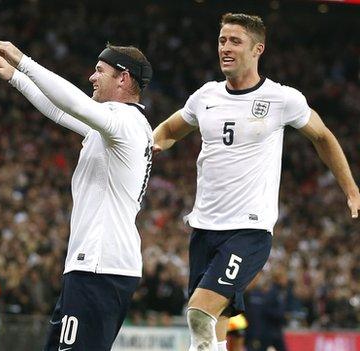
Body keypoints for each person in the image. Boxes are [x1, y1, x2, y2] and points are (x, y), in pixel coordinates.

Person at [151, 13, 360, 351]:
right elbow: (171, 129)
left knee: (199, 313)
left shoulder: (282, 99)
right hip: (203, 228)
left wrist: (351, 189)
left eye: (235, 41)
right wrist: (154, 143)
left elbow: (323, 137)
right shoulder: (205, 96)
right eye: (222, 41)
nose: (225, 48)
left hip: (248, 231)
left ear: (257, 49)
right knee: (211, 331)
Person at [0, 40, 153, 350]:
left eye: (100, 71)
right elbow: (61, 113)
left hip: (100, 267)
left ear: (123, 78)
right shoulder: (118, 127)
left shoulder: (125, 121)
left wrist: (24, 61)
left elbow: (74, 104)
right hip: (97, 267)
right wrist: (16, 78)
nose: (92, 77)